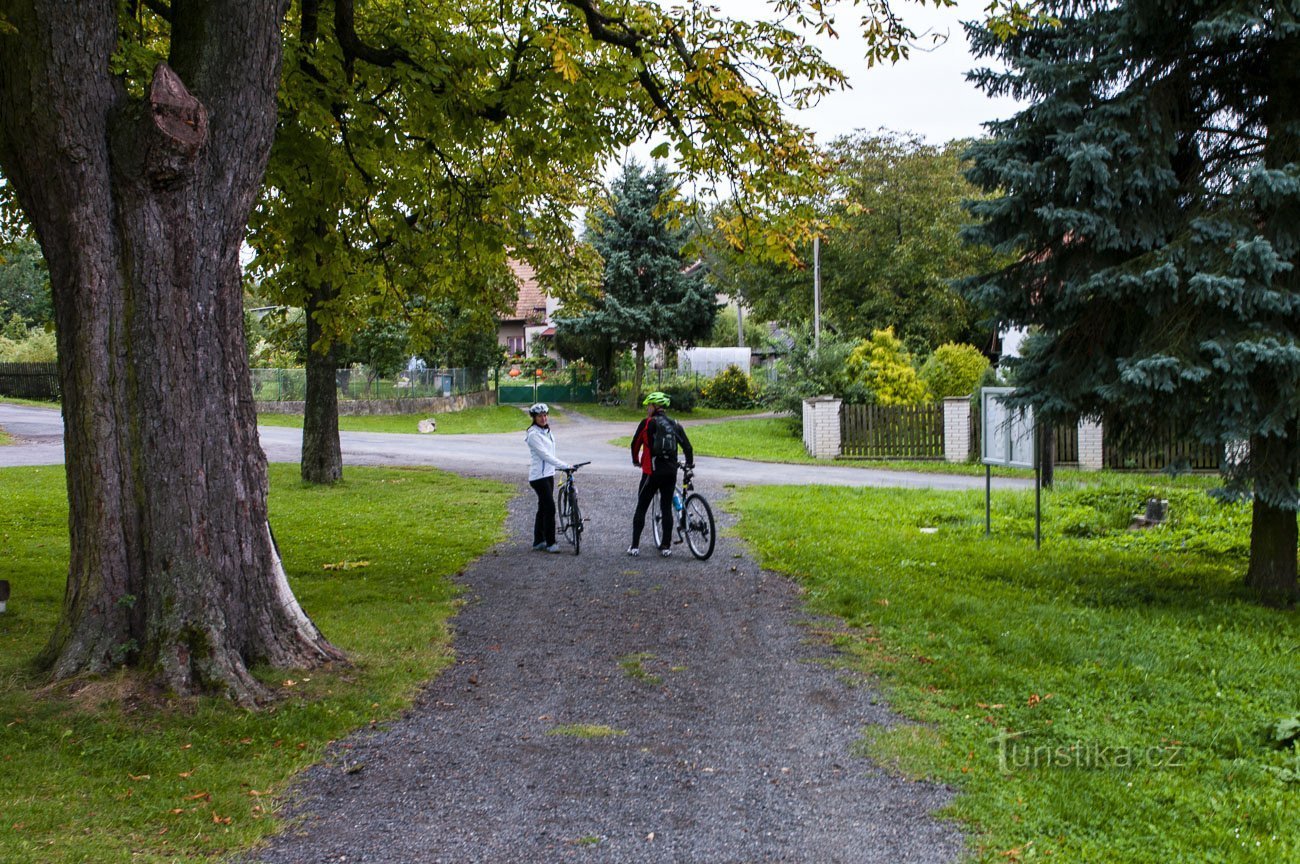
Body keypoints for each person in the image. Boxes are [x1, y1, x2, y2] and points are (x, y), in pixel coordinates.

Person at [628, 391, 693, 557]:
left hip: (652, 471)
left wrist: (636, 460)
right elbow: (688, 447)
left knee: (642, 506)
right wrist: (689, 464)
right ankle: (666, 546)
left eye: (648, 406)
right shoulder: (675, 424)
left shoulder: (647, 423)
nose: (647, 409)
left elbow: (635, 444)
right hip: (671, 471)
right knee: (666, 508)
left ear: (654, 407)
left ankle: (634, 546)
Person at [525, 403, 571, 553]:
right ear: (534, 418)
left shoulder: (548, 432)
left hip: (549, 475)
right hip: (538, 477)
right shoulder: (533, 435)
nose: (543, 418)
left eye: (545, 415)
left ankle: (538, 541)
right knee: (550, 508)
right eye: (540, 416)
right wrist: (564, 465)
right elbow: (545, 455)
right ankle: (551, 542)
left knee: (543, 507)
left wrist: (559, 466)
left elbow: (551, 455)